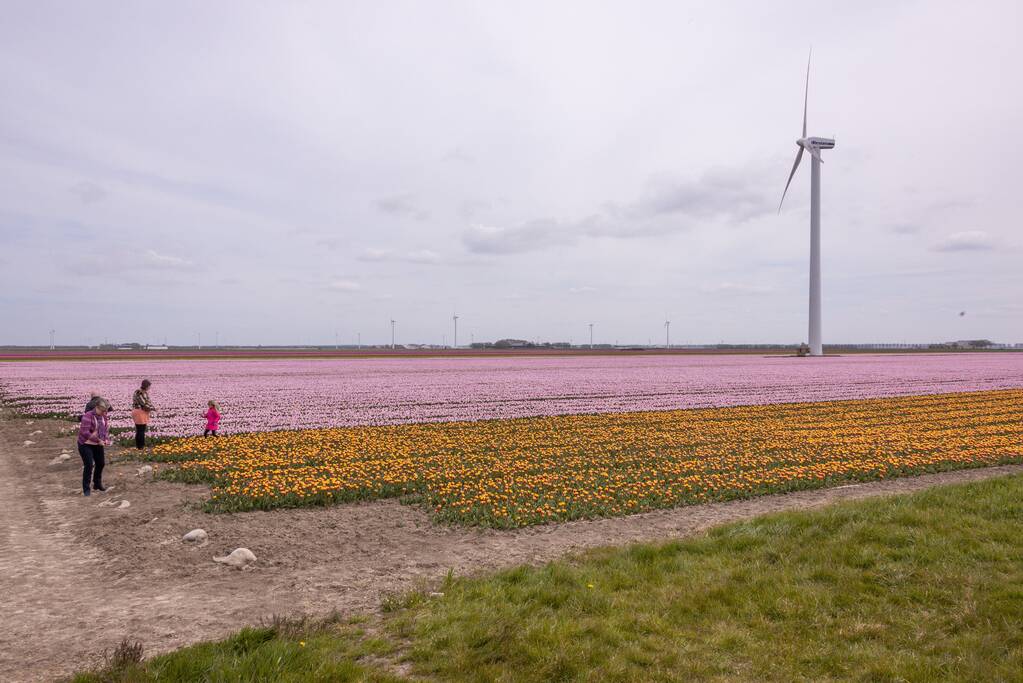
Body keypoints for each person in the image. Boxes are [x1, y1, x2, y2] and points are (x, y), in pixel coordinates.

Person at [77, 398, 110, 496]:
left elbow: (105, 430)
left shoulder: (103, 417)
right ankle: (86, 489)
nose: (103, 413)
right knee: (89, 465)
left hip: (97, 443)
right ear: (97, 407)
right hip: (85, 444)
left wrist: (106, 439)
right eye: (102, 410)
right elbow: (85, 432)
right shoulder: (88, 416)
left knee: (101, 463)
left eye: (105, 411)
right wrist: (98, 440)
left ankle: (97, 483)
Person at [132, 379, 155, 450]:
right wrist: (152, 408)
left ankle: (139, 446)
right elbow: (144, 403)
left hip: (140, 411)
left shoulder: (141, 392)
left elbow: (147, 402)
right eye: (149, 386)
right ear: (146, 386)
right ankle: (141, 446)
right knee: (141, 430)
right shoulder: (140, 392)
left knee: (139, 430)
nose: (149, 388)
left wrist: (151, 407)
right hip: (140, 412)